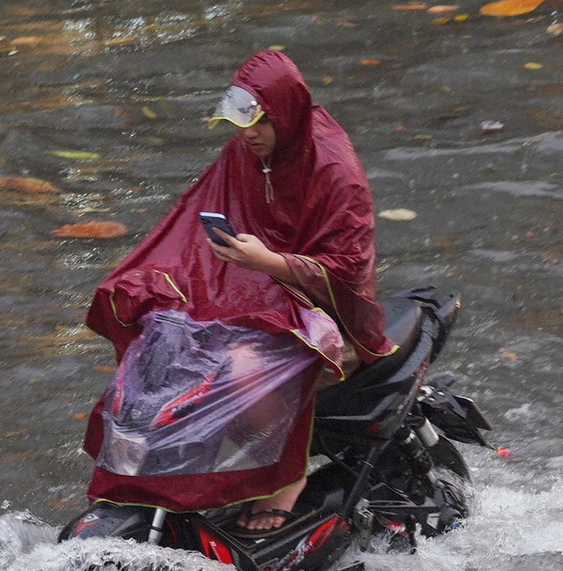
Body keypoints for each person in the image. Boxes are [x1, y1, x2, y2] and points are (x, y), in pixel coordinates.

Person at [82, 50, 394, 530]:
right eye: (240, 122)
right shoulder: (242, 153)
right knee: (161, 341)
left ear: (286, 113)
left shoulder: (333, 167)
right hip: (249, 301)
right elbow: (187, 229)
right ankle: (166, 479)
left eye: (262, 123)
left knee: (244, 368)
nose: (249, 134)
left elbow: (349, 271)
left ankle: (285, 479)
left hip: (326, 316)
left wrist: (269, 262)